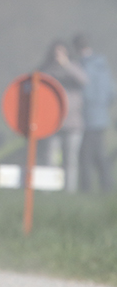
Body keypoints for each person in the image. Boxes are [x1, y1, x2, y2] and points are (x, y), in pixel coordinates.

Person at [37, 39, 87, 193]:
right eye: (56, 52)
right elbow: (38, 83)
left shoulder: (74, 68)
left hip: (73, 124)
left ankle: (68, 192)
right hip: (52, 123)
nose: (58, 56)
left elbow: (84, 80)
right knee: (49, 158)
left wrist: (66, 65)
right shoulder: (47, 70)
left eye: (62, 52)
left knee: (70, 160)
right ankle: (49, 191)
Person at [73, 33, 115, 193]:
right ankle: (107, 187)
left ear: (76, 48)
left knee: (85, 156)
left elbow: (84, 93)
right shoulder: (102, 64)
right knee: (98, 154)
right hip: (101, 116)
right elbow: (112, 92)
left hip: (88, 116)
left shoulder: (83, 66)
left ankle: (86, 190)